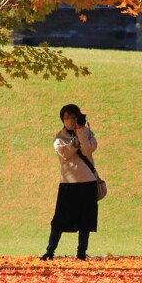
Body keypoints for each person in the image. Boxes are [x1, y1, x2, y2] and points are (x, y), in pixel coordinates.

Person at [40, 103, 99, 260]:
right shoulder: (59, 137)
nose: (71, 121)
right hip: (68, 183)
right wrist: (75, 141)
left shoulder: (87, 133)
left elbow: (88, 150)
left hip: (88, 181)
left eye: (74, 117)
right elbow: (65, 153)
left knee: (85, 221)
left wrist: (81, 132)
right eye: (67, 118)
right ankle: (49, 251)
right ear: (62, 120)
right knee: (59, 220)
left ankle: (81, 254)